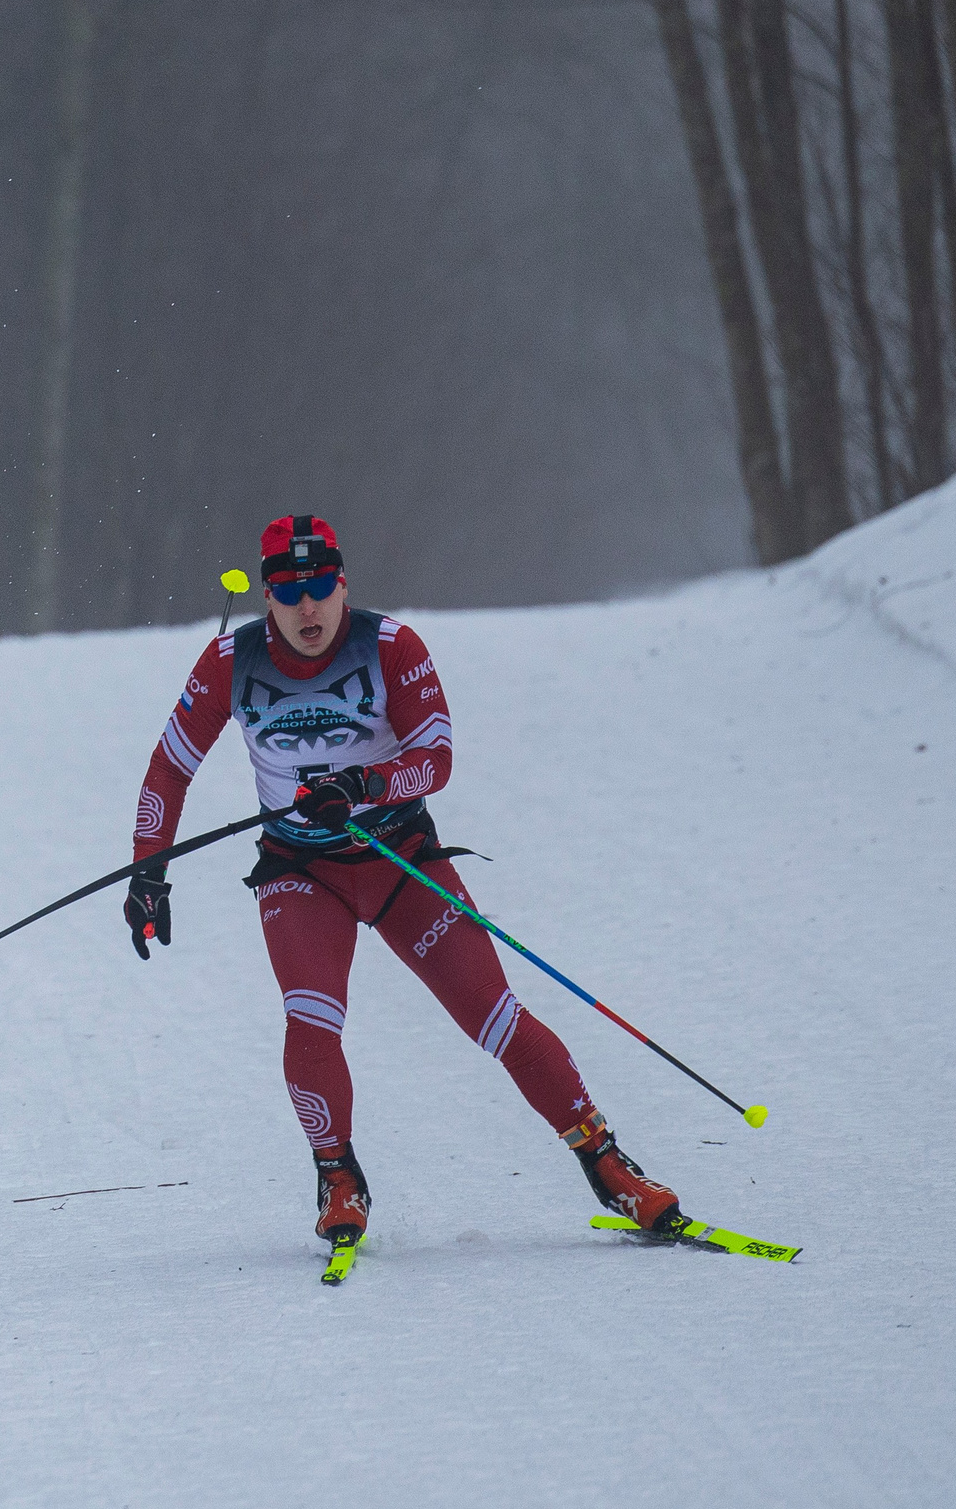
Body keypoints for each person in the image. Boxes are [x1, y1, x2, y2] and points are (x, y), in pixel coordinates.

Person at [123, 513, 685, 1252]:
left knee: (494, 1014)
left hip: (400, 860)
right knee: (311, 1018)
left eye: (322, 585)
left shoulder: (390, 645)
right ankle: (338, 1176)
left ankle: (607, 1162)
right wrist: (149, 870)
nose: (309, 606)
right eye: (290, 590)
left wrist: (366, 783)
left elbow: (438, 755)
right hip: (302, 872)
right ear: (266, 596)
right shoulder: (231, 660)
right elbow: (170, 767)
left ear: (344, 582)